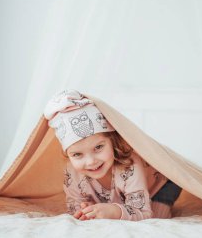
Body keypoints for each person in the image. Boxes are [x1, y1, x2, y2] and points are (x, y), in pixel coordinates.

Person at [44, 89, 182, 221]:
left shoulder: (129, 165)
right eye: (77, 154)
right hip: (126, 195)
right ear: (68, 154)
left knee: (156, 217)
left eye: (98, 147)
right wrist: (85, 210)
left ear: (112, 141)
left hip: (161, 184)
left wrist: (114, 211)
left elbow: (143, 212)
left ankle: (164, 200)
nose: (91, 161)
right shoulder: (72, 172)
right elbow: (74, 208)